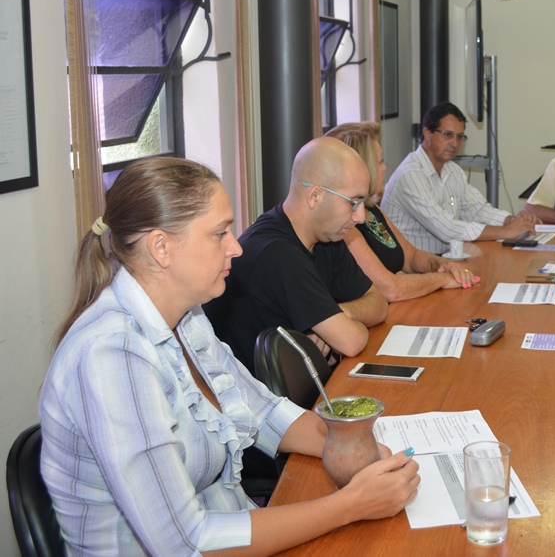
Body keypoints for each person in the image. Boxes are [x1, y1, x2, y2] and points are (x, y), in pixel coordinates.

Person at [39, 157, 419, 555]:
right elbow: (187, 543)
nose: (236, 247)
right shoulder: (111, 356)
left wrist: (355, 446)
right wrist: (351, 504)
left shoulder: (188, 318)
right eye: (219, 233)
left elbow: (264, 411)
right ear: (161, 247)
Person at [204, 137, 387, 373]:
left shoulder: (328, 234)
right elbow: (352, 342)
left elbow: (380, 304)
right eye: (353, 202)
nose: (360, 216)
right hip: (258, 401)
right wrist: (341, 326)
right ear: (315, 196)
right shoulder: (276, 253)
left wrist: (341, 313)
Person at [326, 121, 481, 302]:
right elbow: (390, 289)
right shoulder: (345, 224)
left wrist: (443, 265)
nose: (385, 168)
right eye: (380, 162)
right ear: (362, 169)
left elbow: (411, 256)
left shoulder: (371, 208)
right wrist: (442, 278)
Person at [381, 102, 540, 253]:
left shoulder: (453, 170)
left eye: (459, 137)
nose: (455, 144)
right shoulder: (410, 175)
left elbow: (477, 210)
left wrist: (512, 221)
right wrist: (506, 231)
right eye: (447, 135)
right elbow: (446, 228)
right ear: (427, 134)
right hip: (409, 269)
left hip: (443, 258)